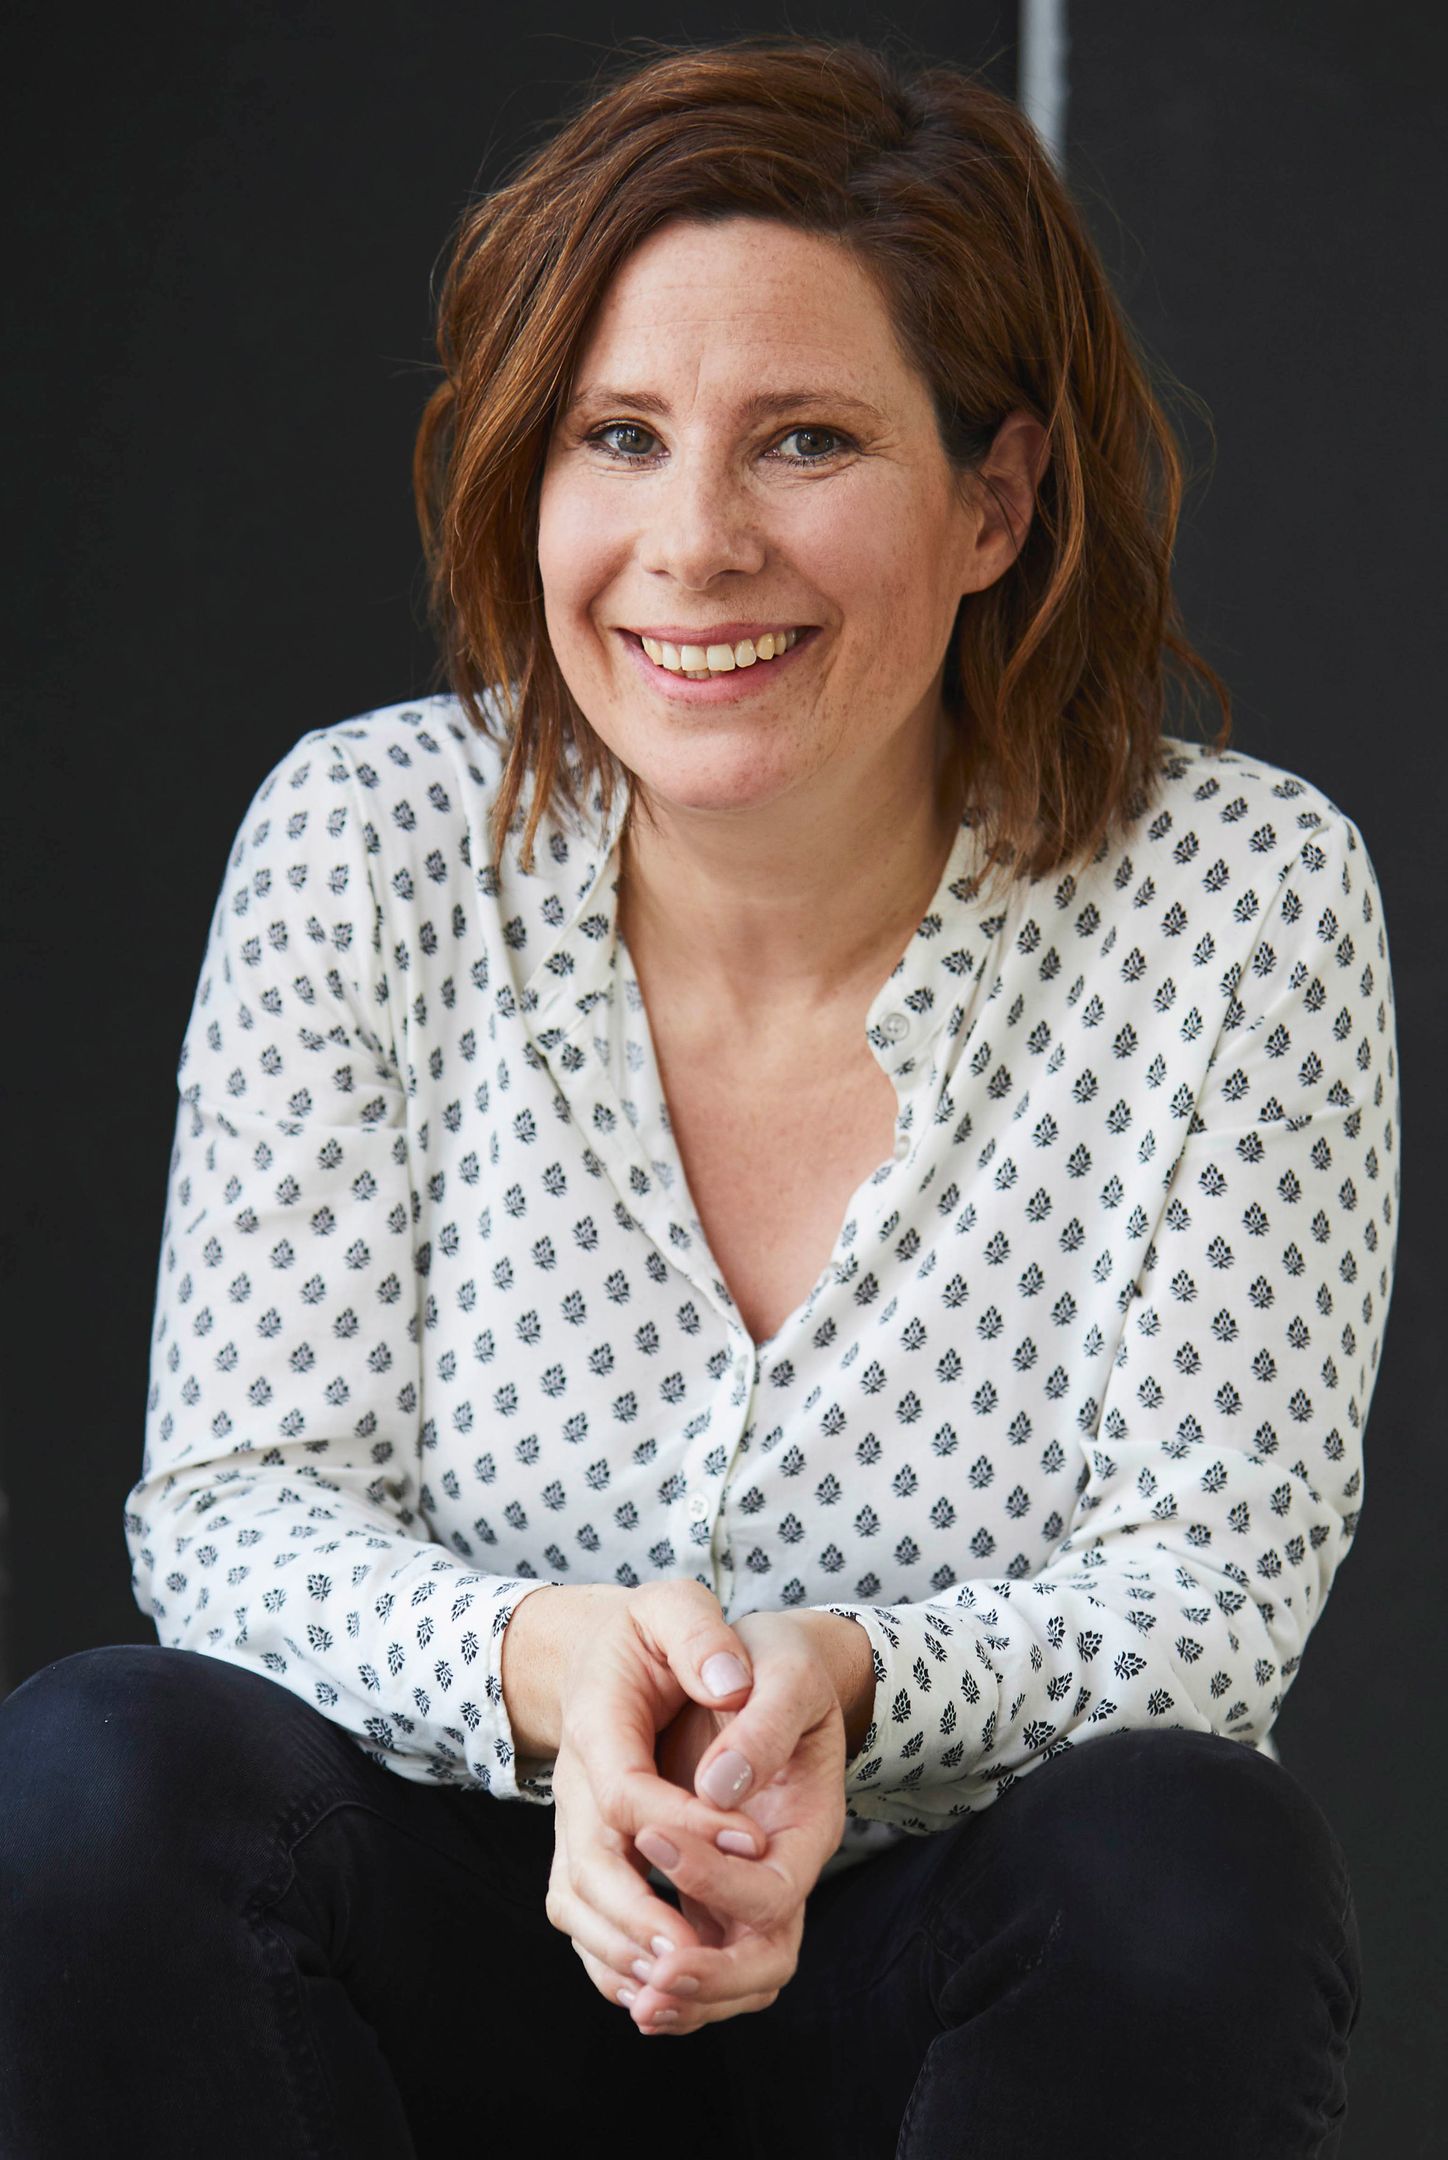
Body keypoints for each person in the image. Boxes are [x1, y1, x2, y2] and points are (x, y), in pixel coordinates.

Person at [0, 32, 1387, 2158]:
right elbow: (237, 1513)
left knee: (1187, 1859)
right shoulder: (366, 841)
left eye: (805, 441)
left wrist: (847, 1683)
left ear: (997, 498)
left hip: (949, 1979)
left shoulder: (1242, 901)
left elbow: (1207, 1592)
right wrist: (555, 1675)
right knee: (97, 1776)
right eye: (619, 437)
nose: (694, 542)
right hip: (456, 1949)